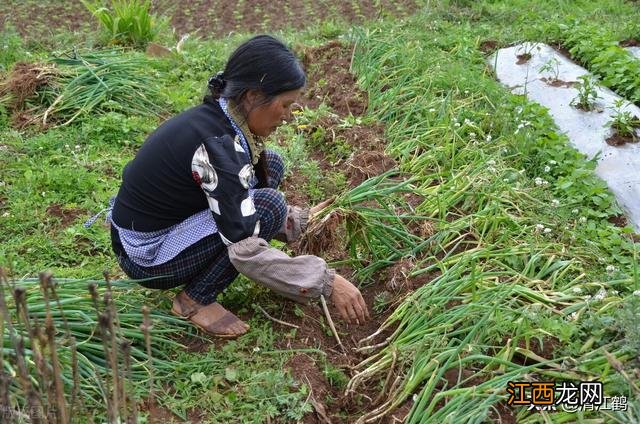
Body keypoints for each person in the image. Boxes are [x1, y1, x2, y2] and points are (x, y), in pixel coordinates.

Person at [108, 35, 370, 338]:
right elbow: (245, 249)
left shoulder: (221, 117)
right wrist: (325, 281)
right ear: (252, 96)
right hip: (147, 256)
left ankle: (283, 222)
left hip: (153, 226)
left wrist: (296, 220)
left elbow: (235, 186)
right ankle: (194, 300)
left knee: (270, 163)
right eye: (284, 105)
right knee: (268, 208)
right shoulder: (217, 147)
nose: (287, 117)